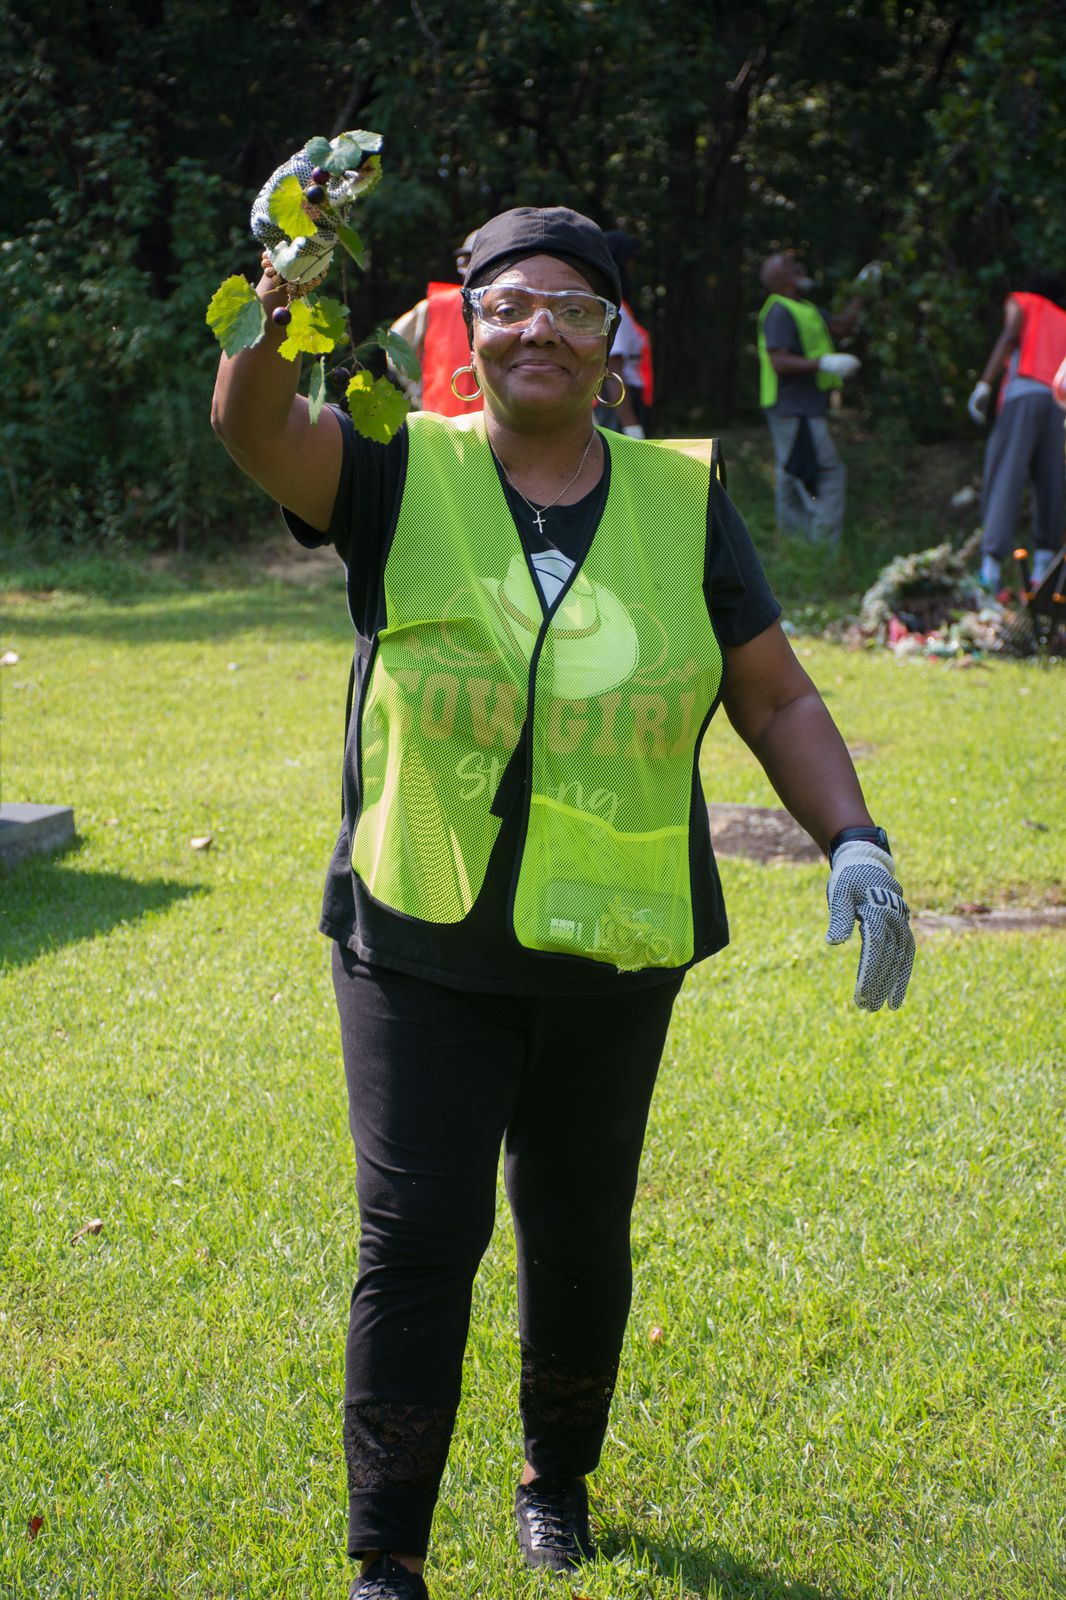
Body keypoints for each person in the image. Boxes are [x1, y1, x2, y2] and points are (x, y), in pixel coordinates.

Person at [212, 174, 915, 1600]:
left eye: (572, 308)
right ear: (468, 329)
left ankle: (556, 1484)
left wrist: (854, 838)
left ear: (612, 340)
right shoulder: (399, 462)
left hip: (611, 943)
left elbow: (770, 696)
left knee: (580, 1228)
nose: (541, 327)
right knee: (419, 1234)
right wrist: (279, 294)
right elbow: (256, 427)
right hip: (422, 932)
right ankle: (386, 1558)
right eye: (511, 305)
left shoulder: (677, 497)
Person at [756, 250, 865, 546]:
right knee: (824, 473)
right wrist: (824, 364)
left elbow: (841, 326)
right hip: (792, 408)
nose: (800, 268)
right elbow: (779, 361)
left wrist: (862, 293)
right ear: (780, 279)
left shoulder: (804, 307)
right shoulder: (779, 311)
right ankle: (821, 550)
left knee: (792, 474)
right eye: (791, 266)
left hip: (802, 407)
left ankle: (795, 548)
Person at [967, 271, 1066, 592]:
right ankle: (1043, 573)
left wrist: (984, 383)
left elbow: (1010, 334)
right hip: (1058, 403)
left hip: (1023, 395)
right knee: (1051, 481)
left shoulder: (1023, 302)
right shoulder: (1064, 318)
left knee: (1005, 475)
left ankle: (990, 570)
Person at [387, 229, 482, 414]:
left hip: (498, 430)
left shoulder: (515, 309)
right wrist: (418, 389)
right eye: (468, 262)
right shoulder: (435, 306)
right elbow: (395, 344)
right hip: (440, 424)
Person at [594, 230, 654, 438]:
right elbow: (613, 372)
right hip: (618, 407)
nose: (633, 267)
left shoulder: (619, 308)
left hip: (623, 404)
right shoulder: (614, 311)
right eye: (630, 260)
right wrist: (631, 426)